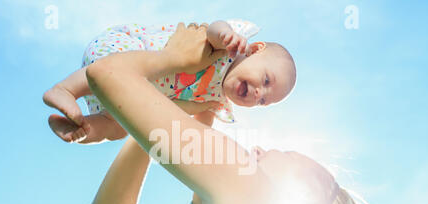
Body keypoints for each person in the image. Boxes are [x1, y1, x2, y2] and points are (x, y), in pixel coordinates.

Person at [85, 22, 358, 204]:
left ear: (306, 191)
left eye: (286, 154)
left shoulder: (252, 187)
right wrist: (164, 109)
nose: (260, 150)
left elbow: (105, 73)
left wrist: (172, 59)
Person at [43, 19, 296, 143]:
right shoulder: (230, 48)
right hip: (126, 52)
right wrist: (226, 35)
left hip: (123, 94)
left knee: (119, 128)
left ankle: (79, 129)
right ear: (254, 50)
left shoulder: (217, 103)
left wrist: (200, 139)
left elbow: (201, 130)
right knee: (114, 68)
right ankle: (65, 89)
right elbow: (212, 30)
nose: (257, 93)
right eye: (265, 80)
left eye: (263, 100)